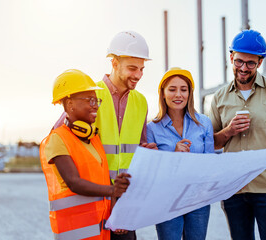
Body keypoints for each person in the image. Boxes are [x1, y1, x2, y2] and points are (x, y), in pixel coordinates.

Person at [53, 31, 157, 240]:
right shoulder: (90, 94)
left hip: (124, 201)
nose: (138, 75)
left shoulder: (141, 102)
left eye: (142, 69)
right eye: (132, 68)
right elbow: (60, 138)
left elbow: (137, 148)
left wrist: (145, 151)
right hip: (92, 201)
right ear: (114, 63)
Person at [209, 29, 266, 240]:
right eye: (239, 61)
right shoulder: (219, 97)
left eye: (250, 63)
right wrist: (229, 131)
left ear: (260, 62)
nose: (243, 68)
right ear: (231, 57)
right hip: (234, 189)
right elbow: (210, 142)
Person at [40, 69, 131, 240]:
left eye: (96, 100)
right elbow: (74, 182)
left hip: (99, 232)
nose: (95, 105)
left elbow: (103, 179)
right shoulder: (58, 139)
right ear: (69, 104)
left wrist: (115, 215)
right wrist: (113, 189)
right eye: (89, 100)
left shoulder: (94, 138)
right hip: (74, 232)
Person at [147, 67, 214, 240]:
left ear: (190, 93)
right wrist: (173, 156)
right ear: (162, 93)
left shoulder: (204, 123)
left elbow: (210, 164)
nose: (178, 94)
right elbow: (152, 170)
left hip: (198, 199)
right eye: (172, 89)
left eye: (183, 90)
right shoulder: (151, 128)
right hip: (166, 201)